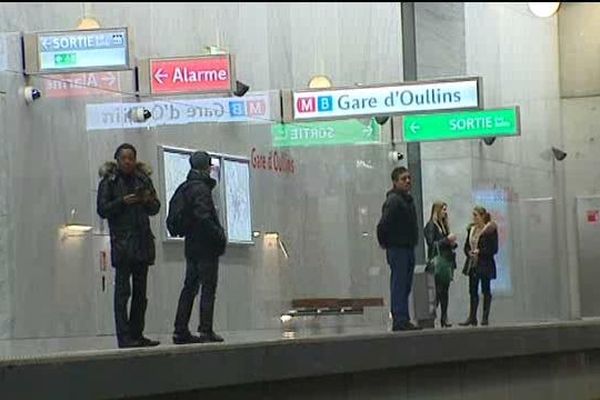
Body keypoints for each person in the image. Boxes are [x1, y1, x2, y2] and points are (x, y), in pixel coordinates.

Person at [97, 143, 161, 348]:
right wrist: (123, 202)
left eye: (131, 158)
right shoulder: (109, 182)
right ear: (117, 159)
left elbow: (155, 208)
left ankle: (137, 334)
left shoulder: (143, 179)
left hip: (142, 242)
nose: (128, 161)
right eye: (124, 158)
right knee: (123, 293)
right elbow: (102, 209)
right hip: (123, 243)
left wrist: (147, 200)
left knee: (141, 295)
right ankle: (124, 337)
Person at [172, 151, 227, 344]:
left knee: (190, 287)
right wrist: (219, 236)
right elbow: (204, 217)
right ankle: (206, 329)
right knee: (208, 287)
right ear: (207, 166)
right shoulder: (202, 189)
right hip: (206, 246)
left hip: (191, 245)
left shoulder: (185, 187)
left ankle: (180, 329)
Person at [377, 166, 421, 331]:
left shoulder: (406, 200)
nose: (408, 181)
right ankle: (399, 319)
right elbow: (383, 225)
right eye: (403, 179)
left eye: (409, 178)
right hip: (398, 248)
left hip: (407, 247)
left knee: (405, 284)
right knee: (399, 283)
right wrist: (386, 243)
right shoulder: (394, 201)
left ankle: (403, 317)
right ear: (395, 182)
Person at [459, 206, 498, 327]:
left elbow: (494, 249)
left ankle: (485, 317)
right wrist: (468, 252)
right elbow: (466, 245)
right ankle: (472, 316)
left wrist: (480, 251)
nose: (474, 218)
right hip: (473, 264)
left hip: (485, 263)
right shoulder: (471, 230)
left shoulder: (490, 230)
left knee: (486, 289)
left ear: (482, 216)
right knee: (473, 290)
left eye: (476, 215)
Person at [424, 201, 457, 328]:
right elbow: (432, 243)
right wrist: (446, 240)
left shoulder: (443, 226)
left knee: (445, 291)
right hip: (437, 262)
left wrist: (452, 243)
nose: (445, 212)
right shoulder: (431, 226)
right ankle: (432, 316)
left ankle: (444, 316)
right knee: (437, 291)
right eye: (443, 209)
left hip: (446, 261)